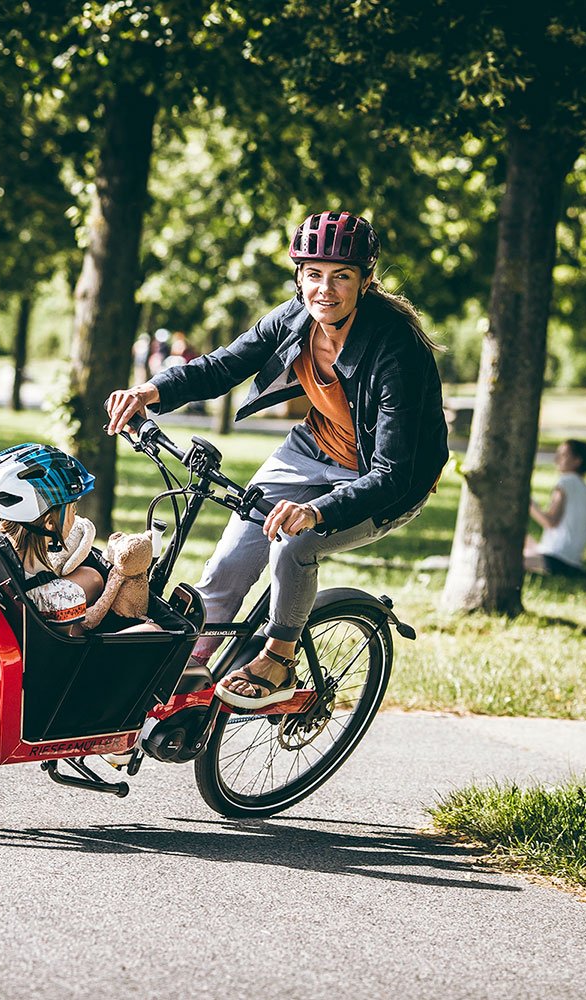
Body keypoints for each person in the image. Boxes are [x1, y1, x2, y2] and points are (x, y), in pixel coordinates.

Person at [104, 211, 448, 709]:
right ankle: (194, 661)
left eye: (342, 276)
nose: (324, 289)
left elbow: (392, 474)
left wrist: (316, 511)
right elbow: (223, 365)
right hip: (313, 449)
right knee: (231, 555)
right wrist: (151, 390)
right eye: (313, 275)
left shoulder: (397, 350)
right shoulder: (294, 318)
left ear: (366, 281)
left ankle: (280, 657)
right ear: (299, 276)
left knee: (295, 545)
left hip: (386, 479)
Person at [0, 443, 104, 635]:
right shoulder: (59, 599)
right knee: (151, 628)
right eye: (72, 509)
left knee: (92, 577)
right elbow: (63, 650)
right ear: (49, 523)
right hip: (43, 650)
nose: (75, 516)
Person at [524, 440, 586, 576]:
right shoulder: (585, 488)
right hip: (571, 559)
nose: (556, 459)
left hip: (555, 558)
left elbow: (550, 522)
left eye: (563, 455)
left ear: (577, 461)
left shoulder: (565, 482)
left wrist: (527, 502)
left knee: (508, 559)